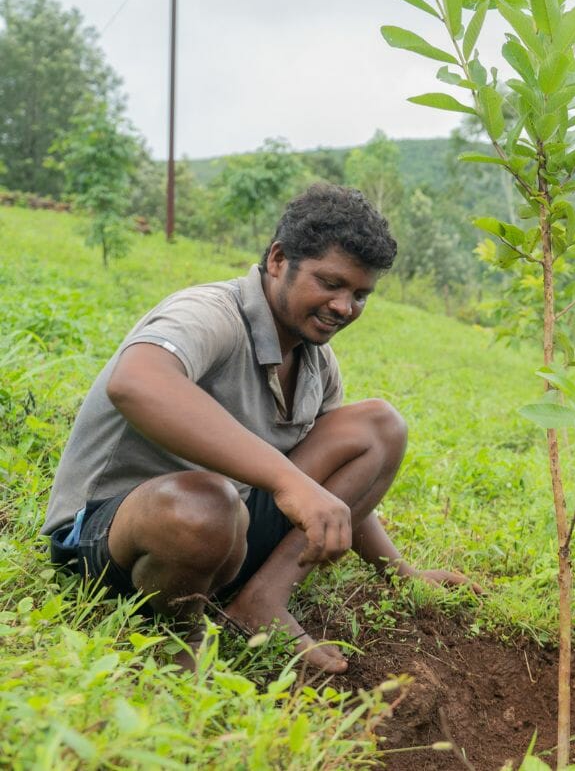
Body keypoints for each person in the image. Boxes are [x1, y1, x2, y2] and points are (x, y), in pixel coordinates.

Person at [42, 184, 471, 673]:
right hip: (118, 540)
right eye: (330, 283)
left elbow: (336, 489)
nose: (344, 306)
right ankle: (182, 630)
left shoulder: (316, 360)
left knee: (379, 425)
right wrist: (288, 482)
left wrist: (401, 574)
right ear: (278, 259)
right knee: (203, 505)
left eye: (360, 294)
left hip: (231, 533)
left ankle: (262, 599)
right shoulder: (209, 313)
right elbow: (136, 383)